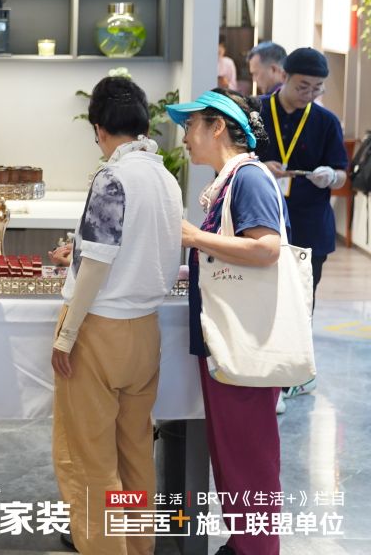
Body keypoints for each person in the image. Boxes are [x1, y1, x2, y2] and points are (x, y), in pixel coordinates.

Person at [46, 77, 183, 555]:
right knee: (135, 453)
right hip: (145, 331)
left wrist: (66, 336)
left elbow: (99, 263)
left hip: (98, 330)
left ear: (100, 129)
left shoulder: (113, 178)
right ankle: (138, 546)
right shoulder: (166, 178)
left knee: (89, 462)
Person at [169, 88, 285, 555]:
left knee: (248, 458)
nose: (184, 138)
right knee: (234, 455)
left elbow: (266, 248)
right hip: (229, 339)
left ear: (217, 126)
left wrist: (194, 238)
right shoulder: (231, 181)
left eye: (190, 126)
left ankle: (256, 549)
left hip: (244, 341)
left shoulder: (248, 179)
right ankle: (244, 544)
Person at [254, 47, 347, 402]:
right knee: (264, 296)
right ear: (284, 76)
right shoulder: (256, 112)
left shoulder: (326, 122)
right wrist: (259, 166)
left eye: (317, 88)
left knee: (302, 299)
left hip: (310, 224)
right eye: (303, 86)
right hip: (263, 220)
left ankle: (296, 373)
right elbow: (232, 158)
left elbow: (341, 172)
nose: (309, 94)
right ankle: (263, 368)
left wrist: (331, 176)